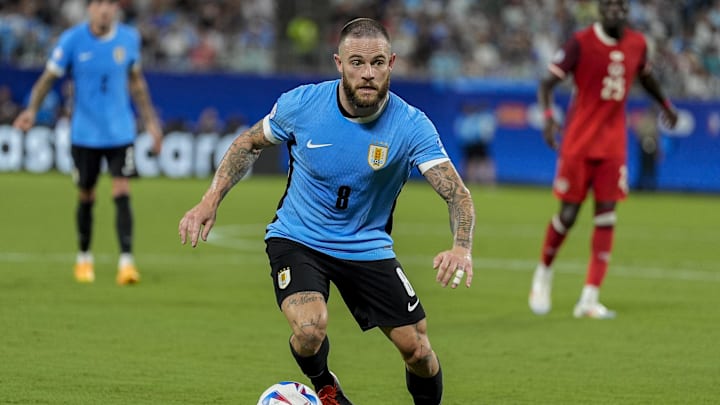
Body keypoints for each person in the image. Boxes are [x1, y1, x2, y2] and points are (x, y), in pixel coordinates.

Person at [178, 18, 475, 405]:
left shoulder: (412, 126)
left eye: (378, 63)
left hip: (367, 246)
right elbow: (248, 144)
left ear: (392, 63)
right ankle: (326, 387)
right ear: (338, 63)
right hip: (298, 238)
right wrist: (210, 199)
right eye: (356, 62)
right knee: (309, 329)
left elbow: (457, 194)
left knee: (418, 350)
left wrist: (461, 246)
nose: (367, 73)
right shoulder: (302, 105)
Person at [529, 0, 678, 319]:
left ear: (627, 11)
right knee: (568, 214)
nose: (615, 10)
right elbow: (547, 83)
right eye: (608, 5)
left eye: (621, 5)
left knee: (607, 217)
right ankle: (543, 273)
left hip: (613, 145)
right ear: (599, 10)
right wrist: (547, 116)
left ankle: (589, 298)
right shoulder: (580, 43)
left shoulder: (638, 43)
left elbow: (646, 76)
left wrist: (665, 104)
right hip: (579, 142)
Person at [13, 0, 163, 285]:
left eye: (109, 4)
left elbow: (137, 83)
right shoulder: (72, 40)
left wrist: (152, 123)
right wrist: (31, 110)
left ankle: (127, 263)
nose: (104, 9)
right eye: (98, 4)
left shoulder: (129, 39)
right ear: (90, 9)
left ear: (116, 9)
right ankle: (83, 258)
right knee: (87, 195)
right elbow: (48, 79)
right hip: (84, 134)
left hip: (121, 132)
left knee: (122, 189)